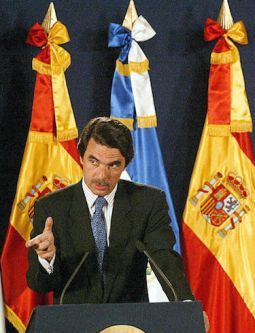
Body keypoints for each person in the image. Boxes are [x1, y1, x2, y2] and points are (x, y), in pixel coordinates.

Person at [26, 117, 194, 304]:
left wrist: (186, 305)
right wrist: (47, 259)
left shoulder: (147, 203)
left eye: (113, 165)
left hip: (129, 326)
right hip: (75, 324)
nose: (102, 176)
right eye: (94, 162)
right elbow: (39, 285)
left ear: (125, 165)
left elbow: (165, 259)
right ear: (81, 157)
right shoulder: (52, 208)